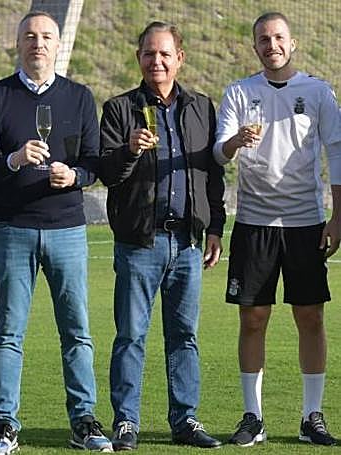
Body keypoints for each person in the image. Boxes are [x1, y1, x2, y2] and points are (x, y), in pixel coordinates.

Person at [0, 10, 112, 455]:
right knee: (8, 331)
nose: (38, 44)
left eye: (46, 37)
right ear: (18, 43)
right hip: (13, 229)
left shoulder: (79, 96)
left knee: (77, 331)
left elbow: (93, 163)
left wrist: (74, 177)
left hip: (66, 229)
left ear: (57, 44)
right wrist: (15, 159)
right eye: (30, 36)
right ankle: (4, 424)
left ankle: (84, 421)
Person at [214, 11, 341, 447]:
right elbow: (219, 152)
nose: (272, 46)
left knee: (310, 316)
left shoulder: (318, 91)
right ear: (255, 47)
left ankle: (311, 417)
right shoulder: (239, 92)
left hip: (305, 222)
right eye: (264, 40)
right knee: (253, 318)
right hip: (254, 222)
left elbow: (336, 152)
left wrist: (338, 216)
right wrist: (235, 142)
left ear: (293, 43)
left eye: (279, 38)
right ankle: (253, 417)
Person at [98, 21, 225, 450]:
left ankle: (185, 420)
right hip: (139, 243)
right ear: (138, 58)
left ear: (179, 59)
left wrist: (215, 227)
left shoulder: (201, 107)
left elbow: (212, 174)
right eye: (149, 53)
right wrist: (129, 150)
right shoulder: (120, 109)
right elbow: (107, 172)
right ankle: (126, 422)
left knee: (184, 336)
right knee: (131, 336)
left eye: (165, 54)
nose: (157, 61)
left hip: (187, 243)